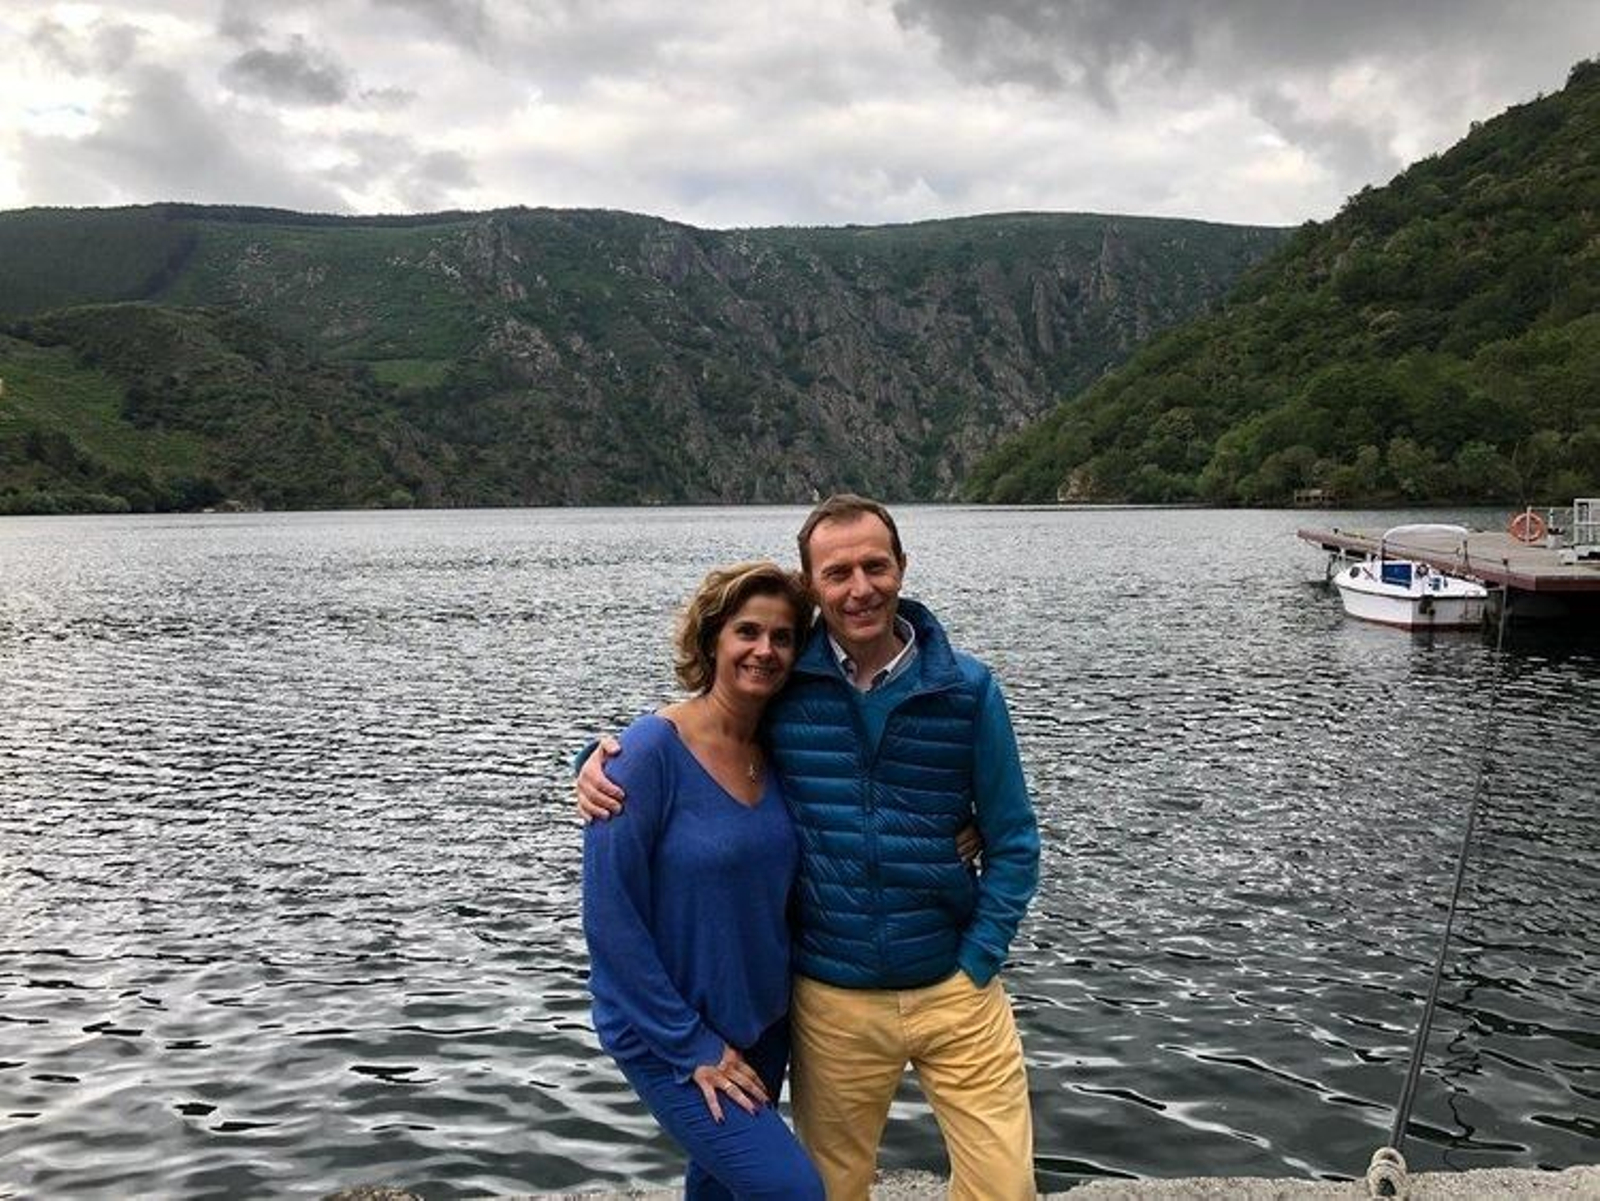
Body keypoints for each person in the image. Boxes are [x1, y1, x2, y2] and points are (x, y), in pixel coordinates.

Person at [581, 495, 1040, 1201]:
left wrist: (980, 953)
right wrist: (592, 760)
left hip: (951, 986)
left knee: (1005, 1187)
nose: (860, 587)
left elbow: (1014, 840)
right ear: (816, 589)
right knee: (818, 1188)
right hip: (832, 996)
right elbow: (682, 739)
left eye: (875, 565)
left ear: (902, 568)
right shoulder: (790, 687)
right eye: (838, 572)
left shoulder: (965, 690)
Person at [582, 560, 824, 1201]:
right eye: (747, 631)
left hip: (760, 1023)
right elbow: (610, 918)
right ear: (712, 638)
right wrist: (692, 1045)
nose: (764, 650)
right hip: (670, 1034)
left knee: (719, 1188)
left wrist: (963, 828)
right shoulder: (647, 752)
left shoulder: (776, 747)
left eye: (782, 637)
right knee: (793, 1191)